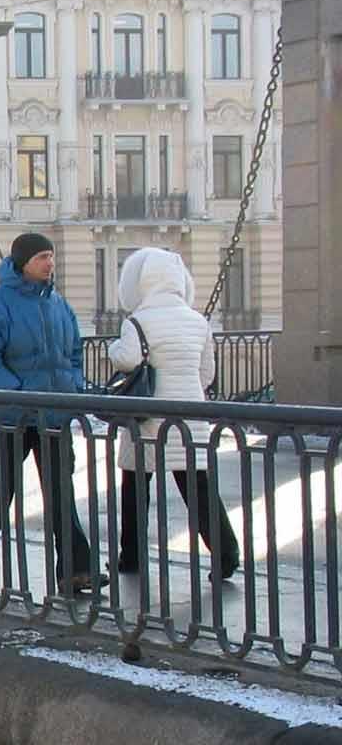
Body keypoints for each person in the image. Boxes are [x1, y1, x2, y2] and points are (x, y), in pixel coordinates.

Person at [0, 231, 101, 594]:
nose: (49, 263)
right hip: (15, 417)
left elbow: (74, 352)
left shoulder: (57, 303)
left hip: (55, 414)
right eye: (42, 257)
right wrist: (19, 392)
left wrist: (73, 386)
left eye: (51, 256)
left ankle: (76, 569)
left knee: (61, 492)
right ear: (23, 262)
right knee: (0, 489)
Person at [109, 247, 240, 582]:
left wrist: (113, 348)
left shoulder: (137, 321)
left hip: (148, 418)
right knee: (198, 489)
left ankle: (132, 556)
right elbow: (206, 374)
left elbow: (127, 360)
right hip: (190, 416)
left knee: (135, 487)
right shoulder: (198, 322)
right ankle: (226, 555)